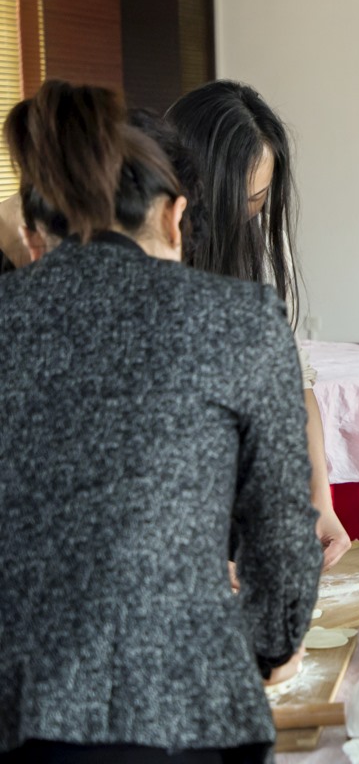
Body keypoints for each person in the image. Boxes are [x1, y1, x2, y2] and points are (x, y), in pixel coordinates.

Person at [0, 81, 320, 763]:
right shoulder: (235, 319)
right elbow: (282, 538)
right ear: (177, 218)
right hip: (181, 711)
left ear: (32, 238)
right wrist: (271, 649)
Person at [166, 81, 351, 567]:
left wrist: (318, 500)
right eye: (236, 202)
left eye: (259, 198)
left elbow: (292, 380)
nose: (248, 215)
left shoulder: (251, 252)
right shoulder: (135, 261)